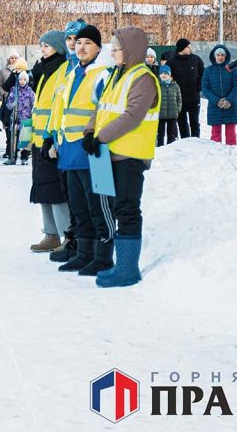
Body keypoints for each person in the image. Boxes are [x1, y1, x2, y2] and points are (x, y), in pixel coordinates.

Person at [83, 26, 161, 288]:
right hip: (109, 154)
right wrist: (89, 132)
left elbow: (132, 116)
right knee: (114, 208)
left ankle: (127, 269)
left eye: (116, 48)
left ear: (129, 50)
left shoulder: (143, 78)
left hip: (129, 156)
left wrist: (100, 137)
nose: (113, 52)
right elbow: (101, 107)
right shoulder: (118, 75)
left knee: (127, 209)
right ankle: (119, 264)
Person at [48, 24, 111, 273]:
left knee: (99, 207)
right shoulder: (74, 72)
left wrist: (97, 136)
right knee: (79, 207)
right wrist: (53, 140)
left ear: (98, 47)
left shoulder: (103, 73)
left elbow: (105, 109)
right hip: (71, 150)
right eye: (79, 42)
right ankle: (84, 253)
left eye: (88, 43)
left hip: (96, 150)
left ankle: (103, 256)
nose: (81, 47)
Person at [28, 30, 70, 253]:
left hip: (53, 140)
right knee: (42, 188)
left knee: (55, 190)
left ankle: (66, 235)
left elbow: (59, 106)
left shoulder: (63, 69)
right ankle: (50, 233)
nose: (42, 49)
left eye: (46, 45)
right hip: (39, 139)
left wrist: (52, 138)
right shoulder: (44, 70)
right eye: (41, 45)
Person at [202, 45, 237, 146]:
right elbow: (205, 88)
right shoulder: (208, 70)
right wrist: (217, 101)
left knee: (231, 134)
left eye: (222, 55)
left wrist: (228, 100)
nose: (220, 57)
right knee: (215, 135)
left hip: (230, 106)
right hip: (215, 106)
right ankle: (216, 157)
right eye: (218, 55)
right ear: (214, 56)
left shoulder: (233, 69)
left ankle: (232, 155)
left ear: (226, 56)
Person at [168, 38, 204, 139]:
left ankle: (196, 142)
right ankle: (185, 143)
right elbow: (167, 78)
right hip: (179, 99)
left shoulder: (196, 59)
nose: (190, 49)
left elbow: (203, 74)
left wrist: (199, 87)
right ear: (182, 48)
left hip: (193, 97)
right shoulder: (171, 63)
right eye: (188, 47)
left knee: (194, 122)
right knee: (182, 123)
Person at [4, 72, 34, 166]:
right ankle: (12, 157)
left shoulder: (30, 91)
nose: (22, 81)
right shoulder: (14, 91)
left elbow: (34, 103)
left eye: (24, 79)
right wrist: (13, 104)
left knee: (25, 140)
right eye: (20, 79)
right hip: (16, 119)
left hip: (26, 119)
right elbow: (8, 104)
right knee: (14, 139)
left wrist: (33, 112)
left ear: (27, 81)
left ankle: (24, 157)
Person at [0, 49, 20, 154]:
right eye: (11, 58)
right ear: (8, 60)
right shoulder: (3, 72)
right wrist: (4, 94)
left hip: (19, 102)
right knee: (8, 126)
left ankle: (17, 148)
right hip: (8, 101)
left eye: (15, 58)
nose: (13, 60)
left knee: (18, 126)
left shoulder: (21, 70)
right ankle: (8, 149)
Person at [157, 65, 181, 147]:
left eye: (166, 73)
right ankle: (160, 146)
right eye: (162, 73)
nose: (164, 75)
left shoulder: (175, 86)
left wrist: (178, 109)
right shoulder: (157, 85)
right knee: (160, 133)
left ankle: (171, 146)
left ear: (170, 75)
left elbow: (179, 98)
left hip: (172, 113)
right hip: (161, 114)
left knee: (171, 133)